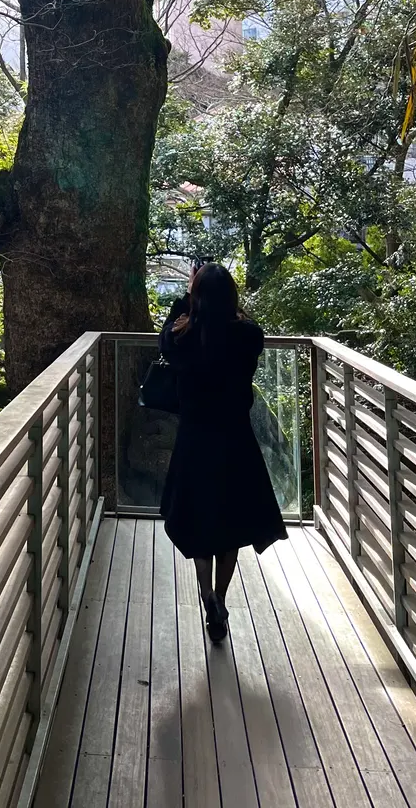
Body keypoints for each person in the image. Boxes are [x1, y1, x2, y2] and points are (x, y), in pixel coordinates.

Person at [159, 261, 287, 645]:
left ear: (195, 298)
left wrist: (187, 299)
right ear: (231, 298)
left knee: (199, 522)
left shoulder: (182, 337)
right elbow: (246, 332)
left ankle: (205, 595)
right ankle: (222, 596)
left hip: (194, 440)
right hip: (235, 439)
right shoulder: (248, 336)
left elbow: (165, 338)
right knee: (229, 525)